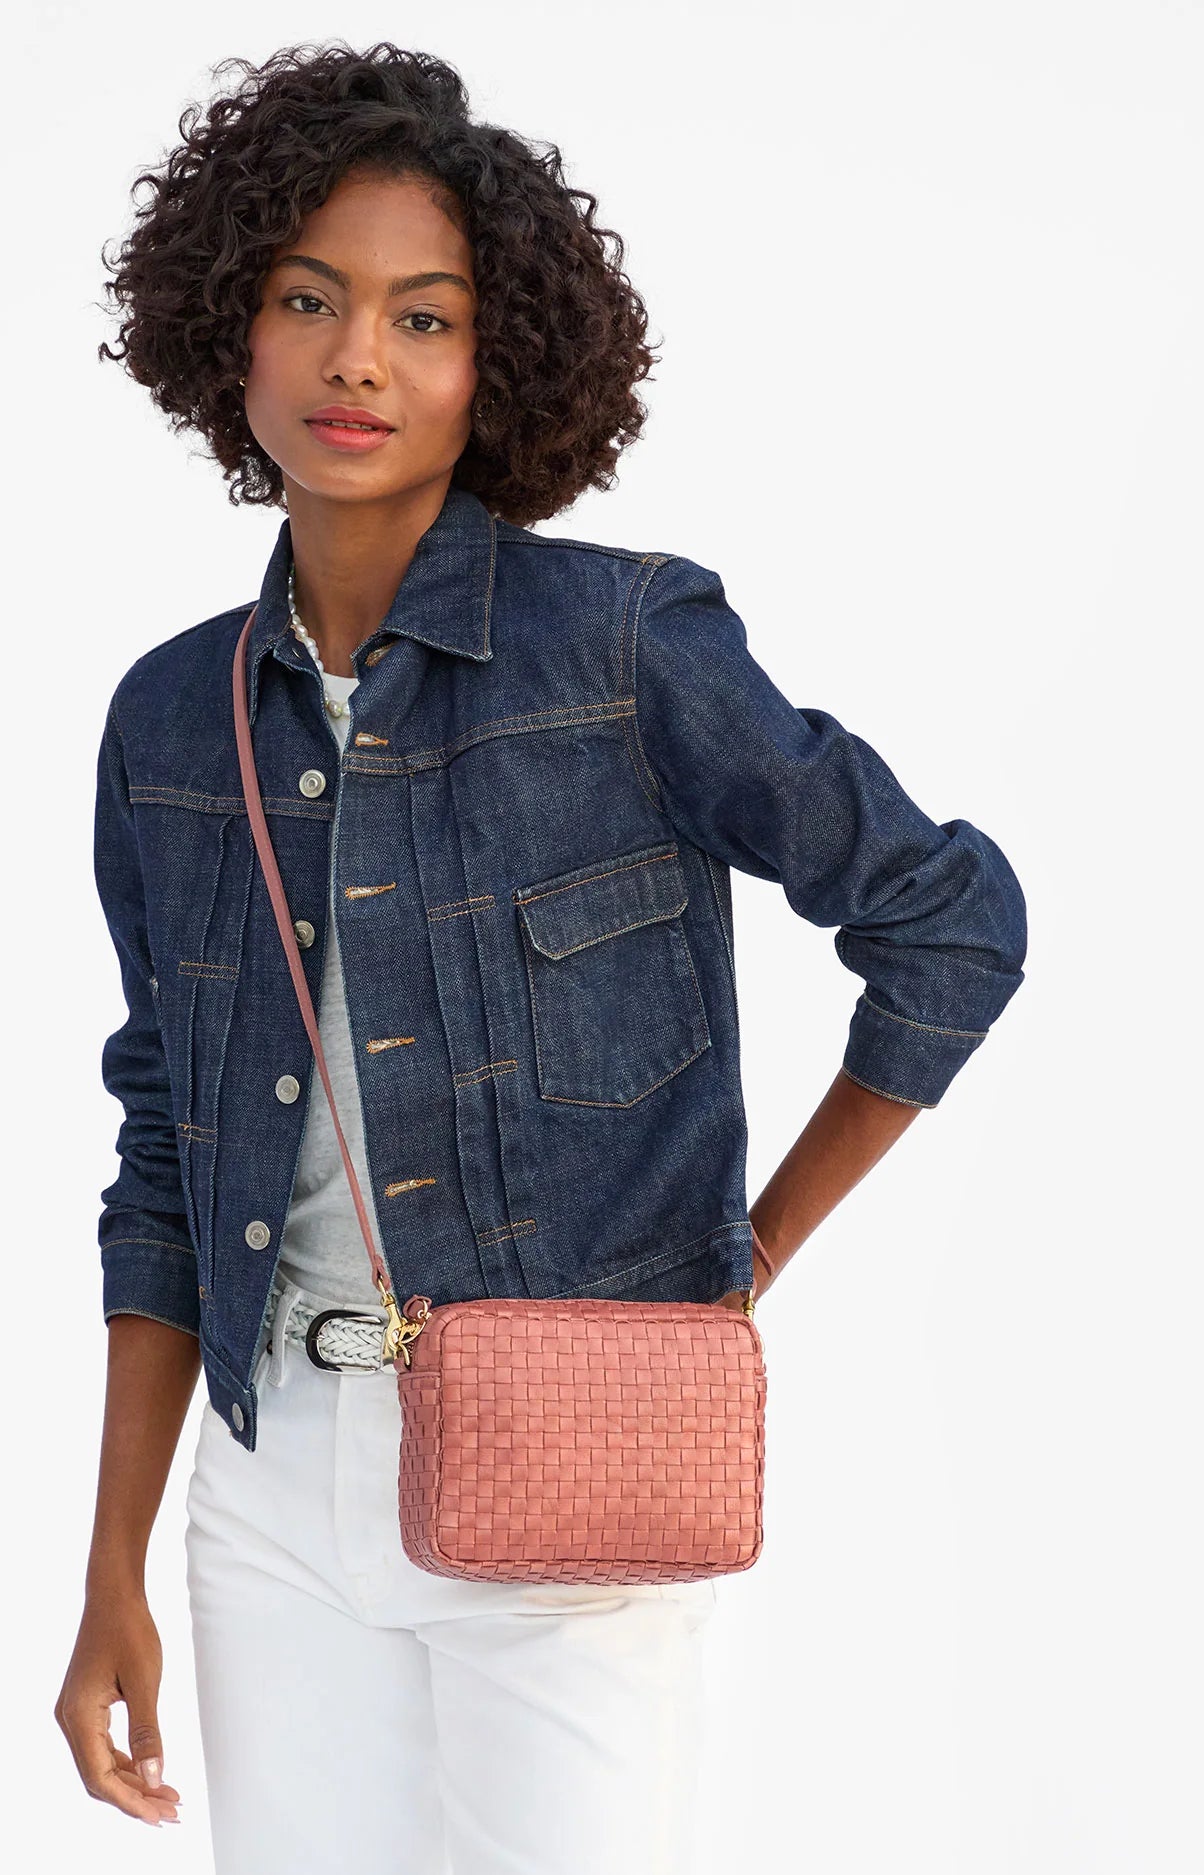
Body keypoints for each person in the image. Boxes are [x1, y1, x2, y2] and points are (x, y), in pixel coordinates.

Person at [54, 40, 1028, 1874]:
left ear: (503, 362)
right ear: (229, 327)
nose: (360, 360)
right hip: (269, 1494)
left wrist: (749, 1258)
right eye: (309, 300)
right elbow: (162, 1154)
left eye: (427, 318)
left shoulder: (625, 647)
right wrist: (114, 1571)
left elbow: (949, 921)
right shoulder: (172, 721)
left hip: (568, 1476)